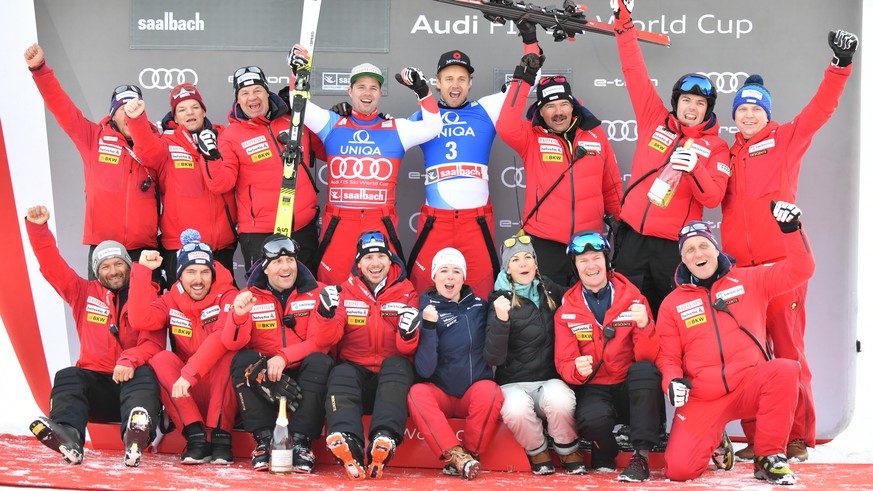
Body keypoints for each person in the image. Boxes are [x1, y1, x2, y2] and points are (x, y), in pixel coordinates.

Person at [724, 29, 859, 462]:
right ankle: (757, 437)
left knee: (788, 351)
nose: (748, 115)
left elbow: (821, 109)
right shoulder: (726, 154)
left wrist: (839, 66)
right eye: (741, 109)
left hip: (781, 265)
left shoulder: (785, 139)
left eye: (754, 109)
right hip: (740, 272)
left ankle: (798, 436)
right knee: (748, 356)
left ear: (766, 113)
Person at [656, 204, 814, 485]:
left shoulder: (749, 280)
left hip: (748, 384)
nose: (698, 254)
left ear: (716, 249)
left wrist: (791, 230)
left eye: (703, 245)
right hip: (704, 396)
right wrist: (672, 381)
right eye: (689, 250)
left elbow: (800, 270)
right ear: (683, 259)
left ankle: (768, 456)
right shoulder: (672, 304)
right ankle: (716, 438)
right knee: (679, 471)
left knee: (786, 369)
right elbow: (668, 356)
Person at [608, 0, 731, 317]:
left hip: (673, 249)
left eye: (699, 103)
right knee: (627, 316)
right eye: (686, 100)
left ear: (708, 109)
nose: (691, 108)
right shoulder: (654, 118)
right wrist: (624, 20)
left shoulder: (716, 146)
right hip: (632, 240)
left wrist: (696, 168)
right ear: (676, 102)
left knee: (672, 320)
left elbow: (714, 197)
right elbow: (634, 71)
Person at [403, 26, 543, 298]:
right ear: (437, 83)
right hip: (436, 221)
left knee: (483, 291)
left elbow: (530, 77)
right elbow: (384, 139)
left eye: (461, 79)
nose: (455, 85)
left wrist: (530, 40)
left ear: (469, 83)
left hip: (475, 221)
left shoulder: (486, 109)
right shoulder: (421, 117)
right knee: (423, 290)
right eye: (448, 79)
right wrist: (351, 117)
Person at [288, 46, 443, 284]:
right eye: (361, 86)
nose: (367, 92)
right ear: (350, 91)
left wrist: (423, 92)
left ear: (380, 93)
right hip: (339, 224)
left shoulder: (395, 129)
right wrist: (299, 72)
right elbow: (299, 106)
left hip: (378, 221)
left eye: (373, 87)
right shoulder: (332, 124)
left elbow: (433, 127)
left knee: (382, 289)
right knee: (333, 288)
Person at [24, 205, 163, 468]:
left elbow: (153, 344)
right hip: (97, 388)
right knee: (68, 375)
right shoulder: (82, 293)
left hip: (132, 386)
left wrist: (129, 360)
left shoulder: (147, 295)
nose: (113, 271)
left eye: (119, 264)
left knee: (145, 373)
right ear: (97, 271)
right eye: (106, 266)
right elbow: (52, 266)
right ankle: (68, 435)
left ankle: (136, 432)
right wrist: (38, 229)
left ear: (129, 266)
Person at [496, 32, 623, 286]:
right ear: (540, 112)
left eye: (563, 104)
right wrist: (524, 78)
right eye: (550, 107)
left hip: (587, 244)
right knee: (547, 314)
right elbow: (506, 125)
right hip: (545, 243)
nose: (558, 112)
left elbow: (611, 185)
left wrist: (619, 222)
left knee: (586, 314)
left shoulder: (595, 135)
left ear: (573, 106)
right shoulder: (531, 137)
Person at [24, 44, 159, 277]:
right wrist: (39, 69)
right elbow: (61, 107)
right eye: (124, 109)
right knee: (104, 312)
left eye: (135, 108)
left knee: (145, 312)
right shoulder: (93, 138)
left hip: (144, 249)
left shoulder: (156, 144)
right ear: (113, 113)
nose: (129, 113)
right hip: (104, 248)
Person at [553, 230, 661, 481]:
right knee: (591, 420)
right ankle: (606, 449)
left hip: (628, 386)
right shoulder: (566, 310)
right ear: (575, 267)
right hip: (596, 385)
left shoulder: (634, 299)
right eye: (583, 261)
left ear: (607, 261)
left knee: (645, 371)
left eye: (596, 258)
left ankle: (640, 457)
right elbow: (564, 361)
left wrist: (645, 327)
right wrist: (576, 369)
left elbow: (649, 357)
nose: (591, 266)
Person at [311, 231, 420, 480]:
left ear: (390, 261)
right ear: (358, 264)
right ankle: (349, 442)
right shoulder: (345, 292)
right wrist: (325, 314)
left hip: (390, 375)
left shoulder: (406, 292)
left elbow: (408, 350)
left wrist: (407, 335)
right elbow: (328, 339)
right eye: (368, 258)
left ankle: (384, 440)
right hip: (356, 370)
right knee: (342, 371)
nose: (375, 263)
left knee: (399, 365)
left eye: (381, 256)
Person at [222, 234, 334, 473]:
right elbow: (232, 343)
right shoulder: (249, 296)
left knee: (320, 361)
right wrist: (238, 317)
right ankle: (263, 441)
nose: (286, 267)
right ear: (265, 267)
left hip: (302, 371)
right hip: (267, 377)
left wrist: (284, 356)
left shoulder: (319, 293)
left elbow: (323, 342)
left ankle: (302, 443)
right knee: (242, 361)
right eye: (277, 262)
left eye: (290, 260)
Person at [127, 229, 239, 465]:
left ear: (213, 273)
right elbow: (140, 320)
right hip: (186, 391)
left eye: (204, 272)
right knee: (161, 359)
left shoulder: (229, 295)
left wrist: (189, 374)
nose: (198, 280)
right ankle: (195, 437)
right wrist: (143, 272)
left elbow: (221, 337)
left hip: (221, 389)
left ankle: (221, 438)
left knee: (231, 355)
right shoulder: (171, 299)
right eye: (190, 272)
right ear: (179, 275)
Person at [200, 66, 324, 272]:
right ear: (237, 100)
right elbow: (222, 183)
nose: (252, 98)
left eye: (257, 90)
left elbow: (325, 149)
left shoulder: (293, 122)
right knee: (263, 299)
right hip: (260, 233)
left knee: (306, 296)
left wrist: (339, 120)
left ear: (267, 92)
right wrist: (210, 158)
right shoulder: (232, 135)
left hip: (302, 228)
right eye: (245, 93)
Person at [484, 233, 586, 475]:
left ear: (535, 262)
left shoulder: (549, 290)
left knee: (560, 400)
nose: (523, 264)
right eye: (516, 259)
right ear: (507, 268)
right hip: (512, 382)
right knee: (515, 409)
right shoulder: (499, 299)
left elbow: (579, 300)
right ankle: (537, 449)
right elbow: (493, 357)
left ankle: (567, 448)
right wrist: (501, 319)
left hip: (548, 377)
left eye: (528, 257)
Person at [124, 85, 238, 285]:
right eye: (182, 109)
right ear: (175, 118)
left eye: (194, 107)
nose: (190, 113)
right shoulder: (166, 143)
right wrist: (137, 119)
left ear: (203, 111)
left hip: (220, 247)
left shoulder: (223, 138)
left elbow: (227, 181)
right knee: (180, 311)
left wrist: (210, 153)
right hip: (179, 246)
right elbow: (147, 150)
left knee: (222, 309)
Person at [407, 248, 504, 480]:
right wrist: (428, 326)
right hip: (441, 391)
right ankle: (455, 455)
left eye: (456, 271)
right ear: (434, 277)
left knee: (490, 391)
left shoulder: (480, 306)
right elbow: (424, 369)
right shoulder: (425, 308)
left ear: (463, 277)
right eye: (444, 270)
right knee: (417, 393)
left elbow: (496, 351)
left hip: (472, 390)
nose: (450, 276)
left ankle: (470, 453)